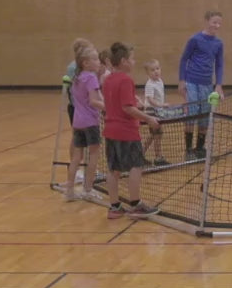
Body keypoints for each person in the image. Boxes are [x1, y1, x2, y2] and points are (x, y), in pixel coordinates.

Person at [101, 42, 161, 219]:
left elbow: (116, 102)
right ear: (124, 61)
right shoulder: (126, 80)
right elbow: (127, 108)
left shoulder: (108, 79)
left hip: (110, 131)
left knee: (114, 170)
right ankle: (135, 205)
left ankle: (114, 207)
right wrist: (149, 119)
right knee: (136, 166)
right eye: (132, 59)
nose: (134, 62)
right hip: (126, 132)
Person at [178, 11, 225, 159]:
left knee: (205, 116)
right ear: (206, 21)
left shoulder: (218, 43)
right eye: (214, 22)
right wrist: (181, 81)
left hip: (207, 84)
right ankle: (189, 149)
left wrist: (218, 85)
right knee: (191, 114)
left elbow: (219, 65)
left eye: (219, 23)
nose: (216, 26)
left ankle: (200, 148)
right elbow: (184, 59)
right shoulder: (195, 39)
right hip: (192, 82)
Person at [65, 45, 105, 202]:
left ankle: (69, 191)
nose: (98, 62)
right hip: (90, 122)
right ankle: (88, 189)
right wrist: (110, 108)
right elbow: (95, 101)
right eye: (95, 59)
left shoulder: (77, 77)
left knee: (76, 157)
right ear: (85, 63)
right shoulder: (90, 78)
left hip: (77, 122)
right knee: (94, 154)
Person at [141, 59, 170, 166]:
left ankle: (141, 153)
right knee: (157, 134)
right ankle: (158, 158)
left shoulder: (160, 81)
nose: (156, 71)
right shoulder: (150, 84)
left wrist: (162, 108)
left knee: (155, 134)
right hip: (151, 112)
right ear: (148, 73)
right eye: (152, 70)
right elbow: (150, 100)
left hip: (158, 112)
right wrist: (161, 105)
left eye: (157, 68)